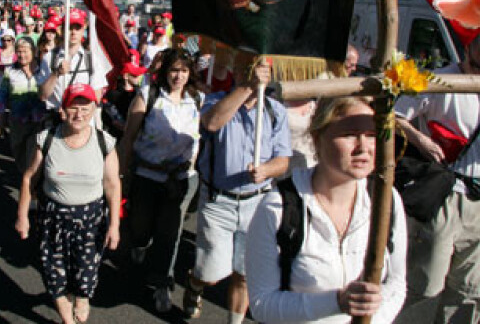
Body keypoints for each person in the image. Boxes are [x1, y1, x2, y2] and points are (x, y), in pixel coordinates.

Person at [245, 96, 407, 323]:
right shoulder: (279, 207)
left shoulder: (386, 200)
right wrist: (337, 302)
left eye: (371, 136)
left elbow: (396, 284)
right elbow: (262, 304)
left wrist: (374, 319)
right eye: (349, 135)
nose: (363, 148)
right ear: (317, 138)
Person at [393, 33, 480, 324]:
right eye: (479, 68)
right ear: (466, 53)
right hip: (445, 193)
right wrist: (421, 140)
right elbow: (396, 116)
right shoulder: (435, 80)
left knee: (470, 288)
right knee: (425, 283)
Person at [183, 55, 291, 322]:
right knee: (210, 273)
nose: (252, 73)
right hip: (219, 202)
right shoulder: (214, 100)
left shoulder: (276, 111)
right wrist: (246, 87)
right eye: (245, 68)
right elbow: (210, 123)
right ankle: (195, 284)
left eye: (258, 69)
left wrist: (266, 170)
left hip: (257, 202)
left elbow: (283, 160)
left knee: (244, 274)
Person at [15, 83, 121, 324]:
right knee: (54, 273)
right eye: (74, 107)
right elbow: (28, 178)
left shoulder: (105, 142)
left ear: (95, 110)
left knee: (86, 274)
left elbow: (113, 186)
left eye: (85, 108)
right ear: (63, 109)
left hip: (91, 220)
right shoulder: (48, 139)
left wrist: (114, 226)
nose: (79, 114)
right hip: (53, 218)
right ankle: (64, 311)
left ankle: (83, 297)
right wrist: (22, 216)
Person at [118, 48, 203, 313]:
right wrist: (120, 175)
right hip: (146, 175)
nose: (179, 76)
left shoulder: (198, 99)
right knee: (142, 225)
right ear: (165, 72)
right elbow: (129, 137)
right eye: (174, 70)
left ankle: (162, 284)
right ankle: (140, 244)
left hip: (181, 180)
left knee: (170, 234)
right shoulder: (149, 96)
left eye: (184, 71)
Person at [37, 8, 107, 119]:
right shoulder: (49, 57)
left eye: (77, 28)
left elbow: (96, 97)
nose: (73, 32)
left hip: (82, 119)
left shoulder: (92, 59)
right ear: (62, 30)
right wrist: (56, 74)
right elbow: (42, 95)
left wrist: (72, 111)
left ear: (83, 29)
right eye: (69, 28)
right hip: (56, 118)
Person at [0, 37, 46, 173]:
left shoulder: (42, 69)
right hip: (17, 122)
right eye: (19, 51)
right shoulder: (10, 72)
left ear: (33, 51)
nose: (21, 55)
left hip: (39, 122)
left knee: (35, 157)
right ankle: (26, 178)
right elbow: (2, 97)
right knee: (19, 154)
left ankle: (31, 185)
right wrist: (1, 117)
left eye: (25, 51)